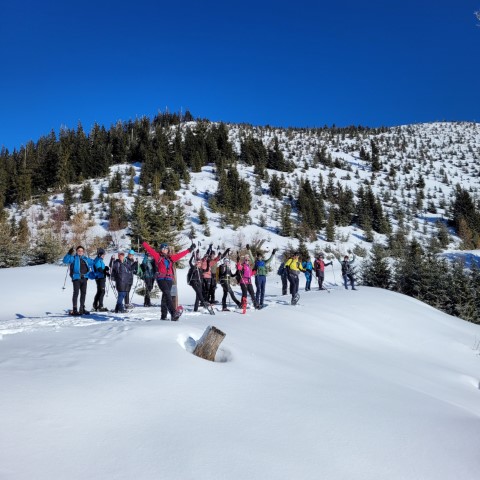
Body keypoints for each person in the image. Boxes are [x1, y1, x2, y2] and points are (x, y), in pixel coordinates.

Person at [142, 240, 195, 320]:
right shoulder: (158, 256)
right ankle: (173, 313)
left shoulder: (171, 258)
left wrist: (189, 250)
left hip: (169, 279)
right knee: (167, 293)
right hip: (161, 278)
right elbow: (150, 250)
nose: (164, 250)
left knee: (165, 297)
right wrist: (144, 243)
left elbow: (180, 255)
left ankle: (163, 316)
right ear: (161, 250)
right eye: (163, 249)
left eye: (166, 249)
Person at [63, 245, 95, 315]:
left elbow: (94, 262)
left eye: (81, 251)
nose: (80, 252)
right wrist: (69, 253)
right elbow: (65, 260)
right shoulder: (73, 258)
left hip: (84, 278)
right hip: (76, 278)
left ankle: (82, 309)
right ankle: (75, 309)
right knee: (76, 293)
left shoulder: (85, 259)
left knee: (83, 294)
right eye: (79, 251)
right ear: (76, 252)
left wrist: (99, 256)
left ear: (83, 252)